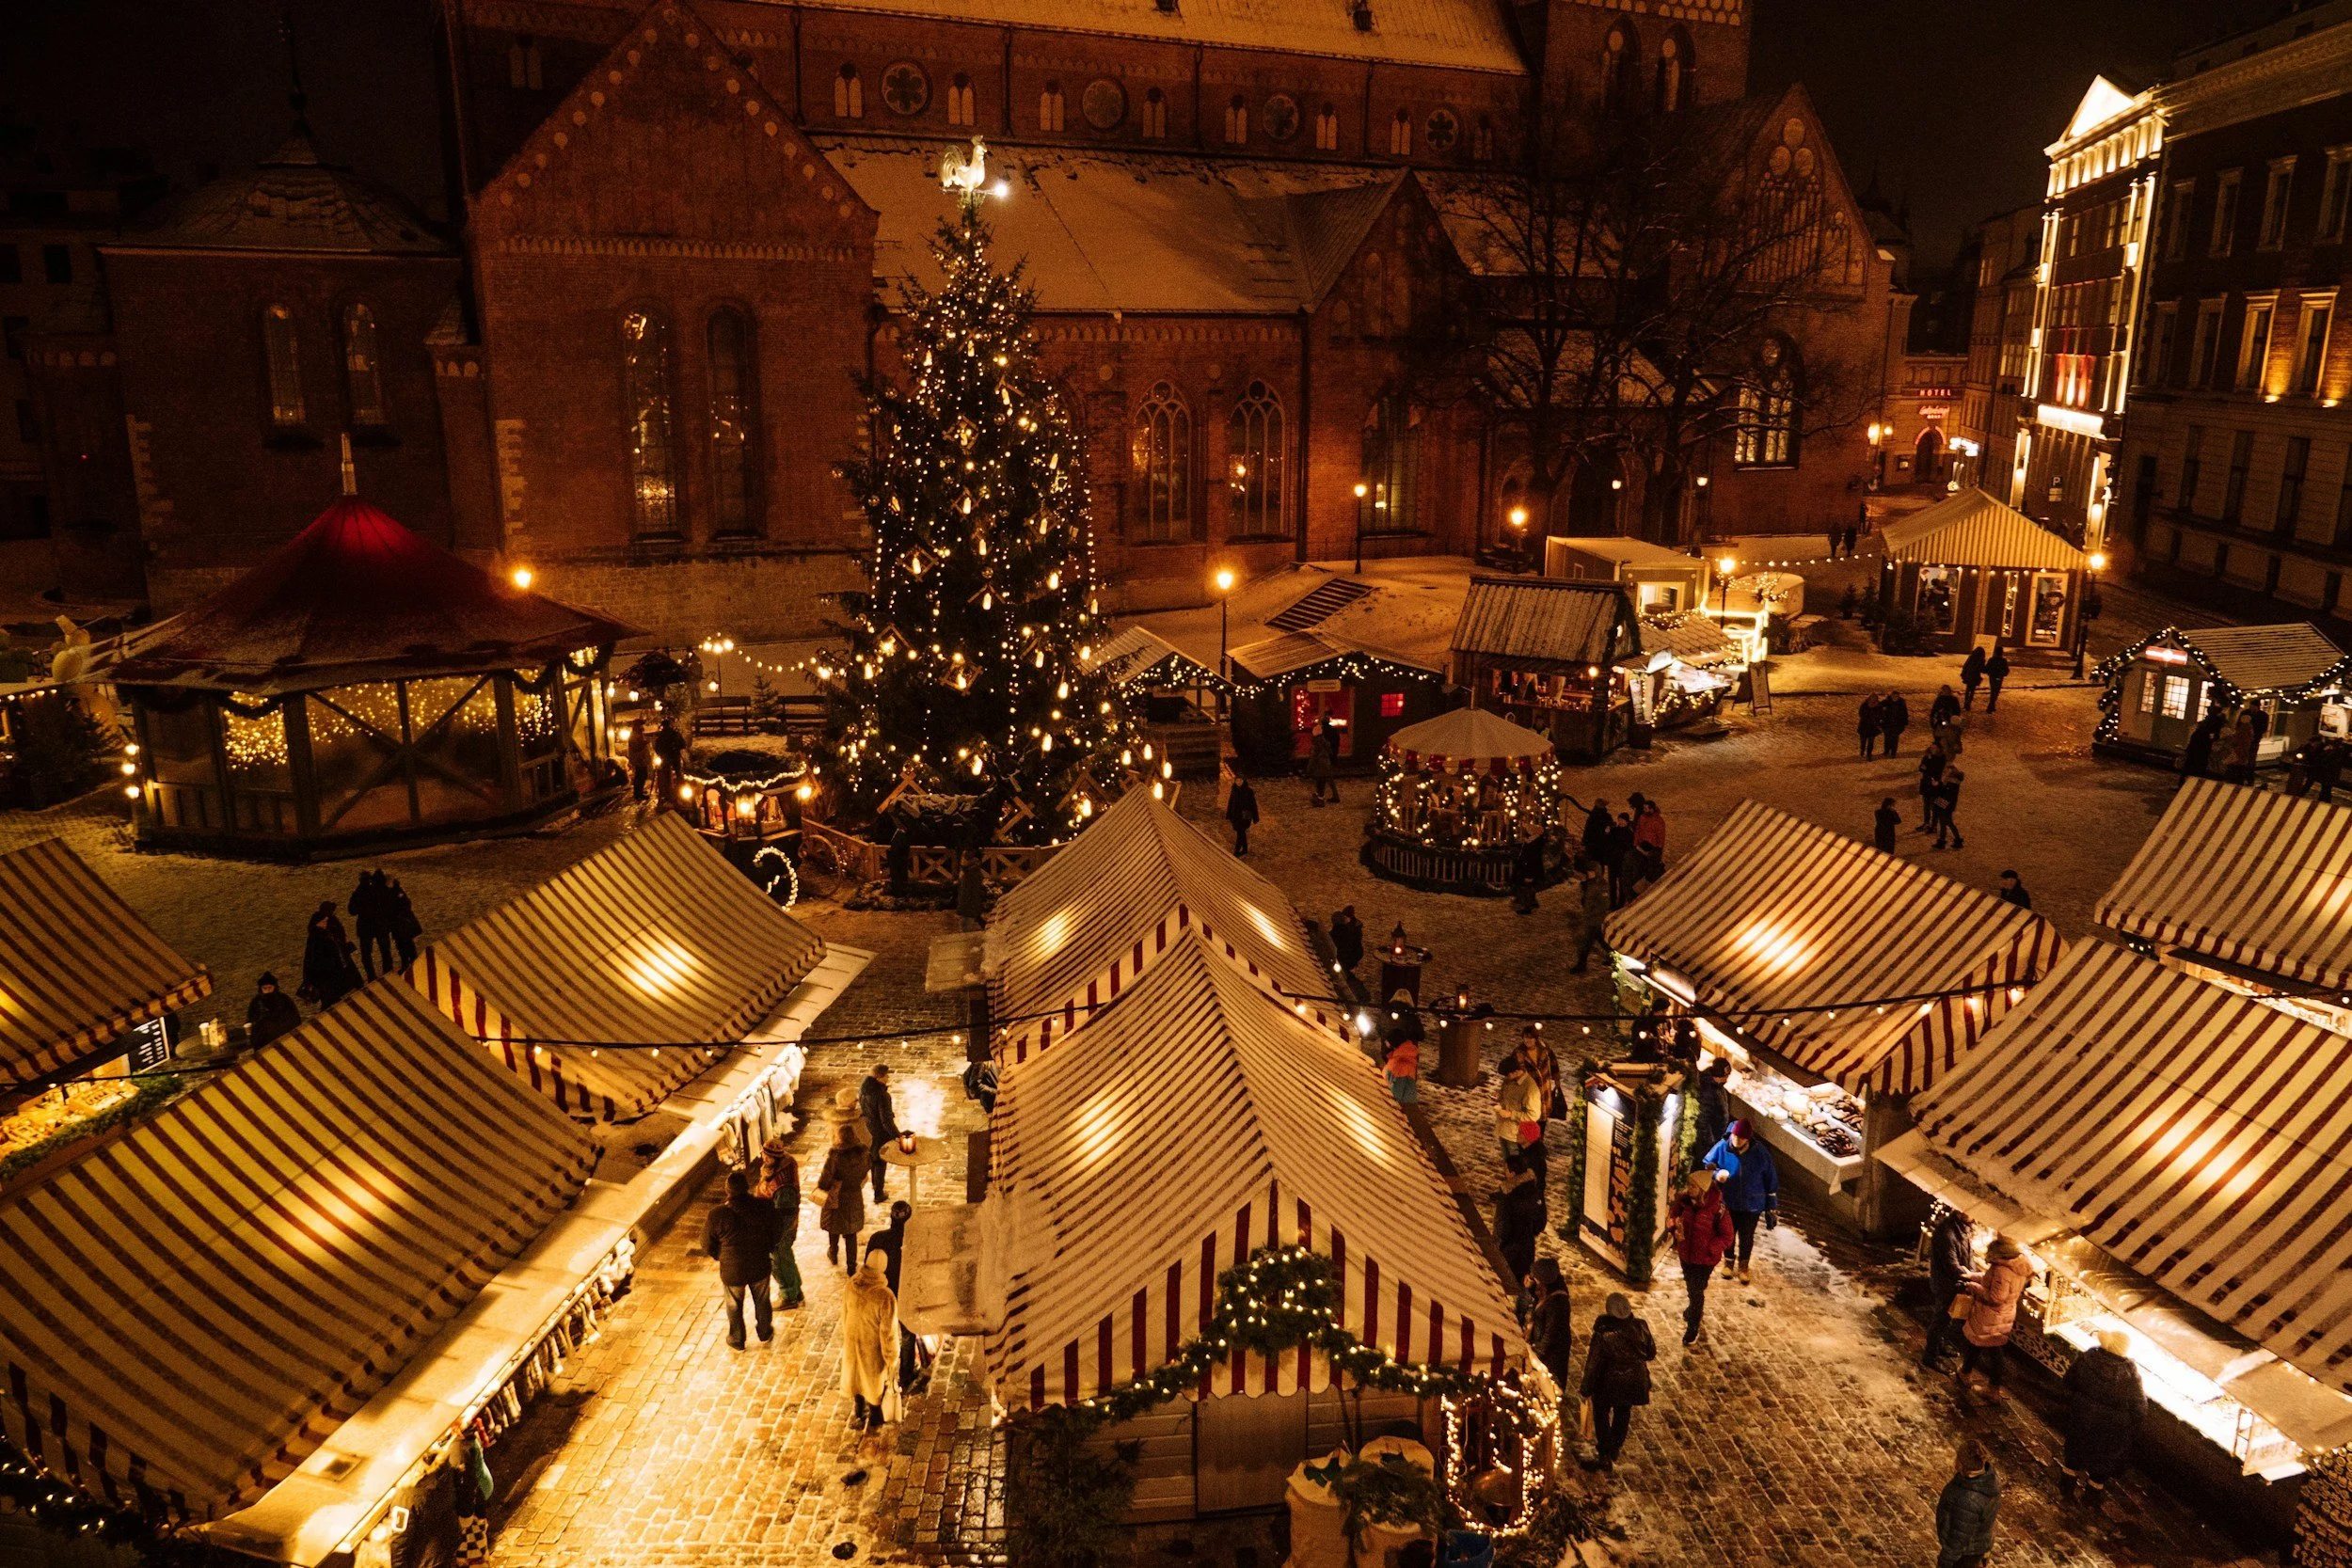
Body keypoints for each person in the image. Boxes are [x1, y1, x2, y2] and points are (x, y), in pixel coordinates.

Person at [2059, 1329, 2146, 1508]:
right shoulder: (2130, 1374)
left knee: (2074, 1452)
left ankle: (2066, 1491)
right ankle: (2092, 1498)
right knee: (2102, 1461)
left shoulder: (2087, 1359)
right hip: (2112, 1427)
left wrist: (2076, 1404)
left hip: (2082, 1416)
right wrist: (2131, 1427)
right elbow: (2139, 1407)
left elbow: (2068, 1382)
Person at [704, 1168, 782, 1350]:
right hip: (759, 1263)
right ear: (747, 1188)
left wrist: (721, 1256)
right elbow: (777, 1228)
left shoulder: (717, 1215)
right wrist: (768, 1246)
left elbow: (706, 1243)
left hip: (733, 1270)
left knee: (733, 1306)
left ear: (727, 1191)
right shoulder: (764, 1206)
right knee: (762, 1301)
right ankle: (765, 1332)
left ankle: (737, 1339)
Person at [1580, 1292, 1655, 1472]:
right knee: (1623, 1413)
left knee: (1601, 1414)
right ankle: (1614, 1447)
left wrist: (1586, 1388)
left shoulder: (1603, 1334)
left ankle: (1605, 1452)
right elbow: (1651, 1353)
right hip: (1634, 1382)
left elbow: (1593, 1364)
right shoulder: (1641, 1327)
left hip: (1608, 1384)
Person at [1955, 1236, 2037, 1400]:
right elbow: (1990, 1281)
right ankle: (1967, 1373)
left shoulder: (2002, 1270)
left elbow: (1996, 1297)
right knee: (1980, 1345)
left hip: (1991, 1315)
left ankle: (1992, 1388)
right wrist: (1973, 1276)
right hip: (2002, 1314)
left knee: (1990, 1349)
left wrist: (1972, 1286)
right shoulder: (2017, 1264)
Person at [1701, 1121, 1779, 1284]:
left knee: (1747, 1236)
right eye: (1736, 1136)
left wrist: (1771, 1205)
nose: (1737, 1140)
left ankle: (1744, 1266)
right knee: (1728, 1235)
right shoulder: (1722, 1146)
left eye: (1742, 1138)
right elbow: (1707, 1163)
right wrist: (1716, 1174)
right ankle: (1728, 1262)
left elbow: (1770, 1178)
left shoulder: (1760, 1153)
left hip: (1752, 1204)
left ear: (1748, 1139)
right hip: (1729, 1201)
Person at [1664, 1169, 1733, 1345]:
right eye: (1688, 1184)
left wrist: (1710, 1248)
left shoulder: (1718, 1209)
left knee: (1696, 1291)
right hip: (1686, 1253)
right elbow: (1672, 1215)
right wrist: (1674, 1228)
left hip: (1705, 1260)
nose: (1688, 1188)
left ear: (1702, 1189)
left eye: (1692, 1185)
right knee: (1691, 1285)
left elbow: (1727, 1236)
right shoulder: (1684, 1200)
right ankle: (1694, 1307)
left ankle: (1693, 1327)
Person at [841, 1252, 898, 1433]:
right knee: (873, 1385)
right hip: (871, 1349)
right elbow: (888, 1333)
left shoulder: (851, 1284)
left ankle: (858, 1410)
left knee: (856, 1380)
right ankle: (874, 1421)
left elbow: (845, 1315)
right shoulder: (884, 1296)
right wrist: (892, 1359)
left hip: (852, 1342)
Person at [753, 1134, 803, 1311]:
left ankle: (789, 1295)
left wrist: (773, 1233)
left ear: (776, 1157)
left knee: (780, 1260)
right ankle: (796, 1290)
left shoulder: (783, 1184)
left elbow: (784, 1213)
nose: (764, 1158)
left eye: (767, 1156)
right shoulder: (777, 1167)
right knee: (786, 1258)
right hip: (777, 1224)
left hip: (780, 1228)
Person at [1920, 1207, 1974, 1370]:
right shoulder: (1947, 1234)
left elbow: (1968, 1256)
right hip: (1946, 1285)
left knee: (1947, 1319)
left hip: (1956, 1284)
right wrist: (1972, 1275)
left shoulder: (1963, 1229)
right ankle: (1930, 1356)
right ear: (1961, 1212)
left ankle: (1940, 1346)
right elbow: (1951, 1265)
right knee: (1940, 1320)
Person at [1936, 1439, 2000, 1568]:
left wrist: (1945, 1561)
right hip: (1976, 1548)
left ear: (1961, 1465)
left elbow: (1958, 1538)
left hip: (1965, 1556)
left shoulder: (1968, 1501)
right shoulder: (1988, 1478)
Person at [816, 1120, 870, 1272]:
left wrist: (827, 1185)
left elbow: (824, 1181)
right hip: (854, 1196)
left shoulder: (835, 1156)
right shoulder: (864, 1153)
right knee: (851, 1232)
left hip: (837, 1197)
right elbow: (866, 1169)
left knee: (834, 1226)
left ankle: (833, 1253)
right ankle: (851, 1266)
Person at [1492, 1151, 1545, 1293]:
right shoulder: (1535, 1191)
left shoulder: (1506, 1197)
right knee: (1524, 1282)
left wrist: (1496, 1248)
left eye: (1506, 1169)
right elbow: (1541, 1222)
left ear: (1512, 1172)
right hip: (1527, 1246)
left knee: (1505, 1285)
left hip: (1509, 1249)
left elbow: (1501, 1227)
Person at [1526, 1258, 1574, 1402]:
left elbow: (1551, 1333)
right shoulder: (1545, 1290)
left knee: (1550, 1388)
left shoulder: (1557, 1303)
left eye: (1536, 1278)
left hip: (1552, 1355)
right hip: (1542, 1346)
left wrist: (1536, 1355)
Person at [301, 900, 359, 1007]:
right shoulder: (316, 936)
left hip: (339, 965)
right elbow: (310, 957)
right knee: (330, 998)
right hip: (327, 972)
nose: (326, 921)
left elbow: (341, 940)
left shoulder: (333, 925)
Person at [1495, 1056, 1543, 1173]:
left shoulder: (1530, 1088)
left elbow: (1533, 1115)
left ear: (1515, 1072)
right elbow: (1504, 1095)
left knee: (1517, 1168)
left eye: (1507, 1075)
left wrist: (1511, 1114)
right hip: (1503, 1130)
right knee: (1507, 1165)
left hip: (1515, 1135)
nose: (1506, 1078)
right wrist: (1499, 1096)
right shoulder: (1509, 1080)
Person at [859, 1064, 898, 1201]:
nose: (888, 1078)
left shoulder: (863, 1090)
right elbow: (886, 1120)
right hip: (880, 1133)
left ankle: (875, 1186)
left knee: (873, 1159)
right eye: (886, 1075)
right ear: (880, 1078)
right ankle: (878, 1193)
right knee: (880, 1162)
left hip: (868, 1130)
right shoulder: (882, 1095)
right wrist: (897, 1136)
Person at [350, 871, 393, 980]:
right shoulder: (378, 889)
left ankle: (371, 976)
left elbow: (352, 910)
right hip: (379, 925)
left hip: (366, 927)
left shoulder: (358, 893)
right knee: (385, 950)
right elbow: (387, 904)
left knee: (367, 954)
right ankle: (388, 972)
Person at [1573, 856, 1612, 972]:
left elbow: (1605, 904)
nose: (1589, 874)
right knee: (1600, 939)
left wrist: (1592, 912)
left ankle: (1581, 965)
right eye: (1588, 872)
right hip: (1590, 917)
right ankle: (1613, 955)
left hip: (1595, 919)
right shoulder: (1591, 883)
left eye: (1592, 872)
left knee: (1586, 943)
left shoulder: (1601, 885)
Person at [246, 972, 302, 1048]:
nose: (268, 991)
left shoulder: (284, 999)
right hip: (264, 1041)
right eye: (265, 988)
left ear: (274, 987)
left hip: (284, 1037)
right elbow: (251, 1019)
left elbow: (294, 1017)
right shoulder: (256, 1002)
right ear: (261, 989)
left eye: (270, 988)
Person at [1692, 1057, 1731, 1154]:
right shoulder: (1708, 1090)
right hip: (1708, 1143)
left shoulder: (1717, 1086)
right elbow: (1703, 1120)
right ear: (1721, 1075)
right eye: (1727, 1075)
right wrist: (1711, 1143)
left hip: (1715, 1138)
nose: (1728, 1078)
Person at [385, 875, 422, 971]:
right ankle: (407, 963)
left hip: (402, 923)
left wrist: (398, 915)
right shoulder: (395, 891)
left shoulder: (396, 891)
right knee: (402, 944)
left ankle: (411, 962)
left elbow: (406, 904)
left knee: (406, 943)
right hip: (399, 924)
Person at [2179, 708, 2224, 783]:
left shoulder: (2206, 723)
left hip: (2197, 747)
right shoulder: (2214, 723)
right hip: (2203, 749)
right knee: (2198, 768)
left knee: (2189, 766)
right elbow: (2214, 736)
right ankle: (2191, 783)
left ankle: (2183, 783)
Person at [1631, 800, 1667, 886]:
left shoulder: (1658, 820)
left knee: (1650, 869)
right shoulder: (1642, 817)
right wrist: (1636, 843)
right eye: (1644, 808)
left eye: (1646, 808)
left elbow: (1661, 836)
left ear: (1651, 809)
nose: (1644, 810)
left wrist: (1658, 848)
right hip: (1641, 847)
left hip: (1652, 848)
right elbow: (1638, 830)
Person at [651, 718, 686, 805]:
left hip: (666, 757)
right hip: (675, 756)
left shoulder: (661, 736)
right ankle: (680, 789)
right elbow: (683, 744)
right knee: (678, 772)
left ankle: (667, 791)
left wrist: (661, 754)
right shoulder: (676, 734)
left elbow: (657, 747)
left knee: (666, 774)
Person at [1509, 831, 1545, 916]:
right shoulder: (1532, 844)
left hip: (1528, 870)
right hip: (1528, 869)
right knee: (1527, 887)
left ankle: (1526, 906)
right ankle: (1531, 902)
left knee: (1525, 887)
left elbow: (1531, 859)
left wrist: (1529, 871)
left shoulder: (1532, 845)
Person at [1382, 1026, 1420, 1104]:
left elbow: (1396, 1094)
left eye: (1387, 1040)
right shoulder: (1401, 1056)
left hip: (1400, 1108)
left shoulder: (1400, 1063)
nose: (1385, 1042)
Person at [1934, 767, 1967, 851]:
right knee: (1944, 822)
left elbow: (1946, 796)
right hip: (1947, 806)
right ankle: (1945, 841)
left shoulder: (1951, 785)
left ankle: (1953, 841)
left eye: (1948, 773)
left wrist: (1938, 804)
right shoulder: (1953, 784)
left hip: (1946, 806)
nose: (1946, 774)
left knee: (1947, 822)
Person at [1226, 774, 1260, 857]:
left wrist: (1255, 817)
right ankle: (1245, 849)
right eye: (1237, 780)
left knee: (1240, 833)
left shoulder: (1249, 791)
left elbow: (1253, 804)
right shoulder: (1234, 790)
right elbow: (1230, 802)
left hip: (1245, 816)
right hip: (1236, 816)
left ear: (1243, 781)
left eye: (1240, 780)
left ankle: (1236, 852)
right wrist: (1229, 814)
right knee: (1241, 832)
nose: (1238, 782)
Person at [1306, 722, 1338, 807]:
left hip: (1318, 766)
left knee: (1319, 782)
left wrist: (1309, 769)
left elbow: (1313, 758)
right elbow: (1330, 752)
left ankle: (1319, 800)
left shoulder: (1316, 745)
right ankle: (1320, 798)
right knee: (1323, 782)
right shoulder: (1325, 742)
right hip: (1326, 765)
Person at [956, 847, 988, 930]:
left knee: (969, 911)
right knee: (968, 912)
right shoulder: (970, 867)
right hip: (969, 891)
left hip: (971, 891)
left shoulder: (972, 866)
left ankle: (975, 923)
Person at [1330, 906, 1364, 977]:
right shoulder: (1342, 928)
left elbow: (1349, 946)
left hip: (1350, 956)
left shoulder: (1350, 931)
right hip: (1345, 954)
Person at [626, 721, 654, 801]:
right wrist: (644, 743)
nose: (642, 727)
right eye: (641, 725)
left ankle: (639, 791)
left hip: (641, 758)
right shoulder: (634, 735)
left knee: (641, 775)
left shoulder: (637, 734)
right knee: (641, 775)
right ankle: (638, 793)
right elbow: (636, 746)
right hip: (639, 759)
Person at [1581, 798, 1613, 862]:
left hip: (1592, 844)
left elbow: (1587, 830)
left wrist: (1584, 842)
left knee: (1592, 863)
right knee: (1599, 864)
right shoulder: (1607, 816)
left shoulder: (1592, 816)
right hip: (1601, 844)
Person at [1881, 689, 1911, 756]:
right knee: (1887, 738)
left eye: (1897, 696)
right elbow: (1879, 709)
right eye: (1894, 696)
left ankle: (1893, 753)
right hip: (1887, 724)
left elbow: (1905, 713)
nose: (1895, 697)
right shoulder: (1886, 702)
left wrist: (1904, 723)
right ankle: (1886, 751)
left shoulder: (1901, 703)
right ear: (1891, 696)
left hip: (1897, 724)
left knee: (1895, 739)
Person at [1982, 646, 2010, 712]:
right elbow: (2006, 670)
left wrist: (1989, 672)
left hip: (1992, 677)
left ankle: (1991, 706)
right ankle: (1991, 706)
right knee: (1996, 691)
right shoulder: (2003, 660)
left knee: (1993, 691)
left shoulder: (1992, 659)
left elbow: (1986, 668)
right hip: (1999, 677)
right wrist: (2003, 674)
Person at [1960, 646, 1986, 710]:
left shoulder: (1971, 657)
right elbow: (1982, 669)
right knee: (1972, 691)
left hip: (1969, 675)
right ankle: (1968, 704)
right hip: (1975, 676)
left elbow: (1966, 665)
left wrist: (1963, 673)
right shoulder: (1982, 659)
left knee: (1968, 689)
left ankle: (1965, 703)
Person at [1857, 694, 1883, 760]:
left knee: (1871, 742)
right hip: (1864, 726)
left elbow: (1880, 715)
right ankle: (1862, 751)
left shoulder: (1878, 706)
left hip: (1872, 727)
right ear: (1869, 698)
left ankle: (1869, 754)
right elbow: (1861, 714)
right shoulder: (1864, 705)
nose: (1873, 699)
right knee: (1863, 741)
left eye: (1875, 698)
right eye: (1872, 698)